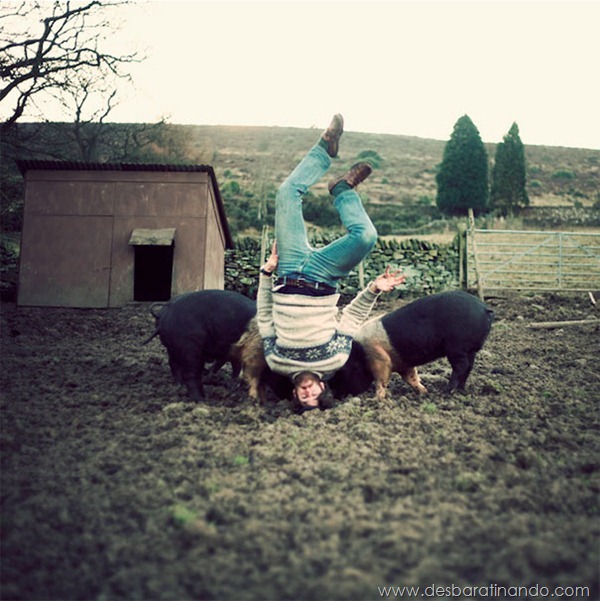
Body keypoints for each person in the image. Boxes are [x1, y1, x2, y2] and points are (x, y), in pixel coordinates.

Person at [256, 114, 405, 410]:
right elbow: (350, 319)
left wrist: (266, 273)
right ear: (323, 387)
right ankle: (343, 191)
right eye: (315, 396)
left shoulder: (275, 363)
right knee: (365, 237)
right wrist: (374, 288)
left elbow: (264, 317)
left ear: (295, 394)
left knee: (286, 193)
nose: (309, 393)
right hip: (323, 278)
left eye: (303, 398)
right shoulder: (335, 359)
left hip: (287, 271)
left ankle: (324, 148)